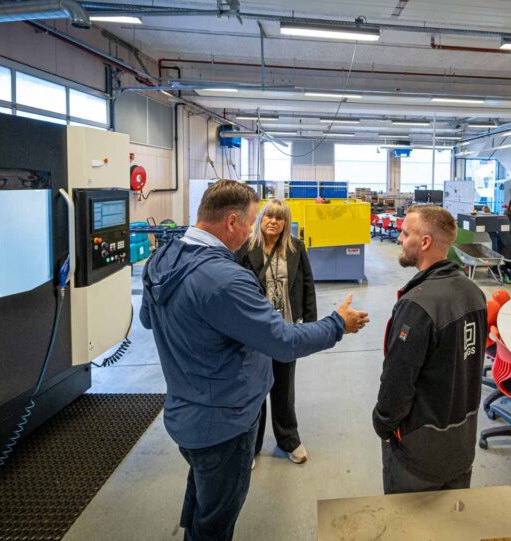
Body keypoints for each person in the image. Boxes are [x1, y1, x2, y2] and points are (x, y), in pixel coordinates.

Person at [140, 180, 369, 541]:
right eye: (250, 221)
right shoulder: (226, 279)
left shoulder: (163, 259)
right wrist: (338, 324)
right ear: (232, 222)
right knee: (217, 522)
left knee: (204, 499)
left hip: (185, 412)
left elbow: (149, 320)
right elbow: (284, 341)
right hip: (224, 423)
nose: (252, 229)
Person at [372, 205, 487, 494]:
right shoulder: (474, 293)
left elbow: (398, 379)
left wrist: (383, 424)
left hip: (419, 454)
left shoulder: (417, 306)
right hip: (461, 444)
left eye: (405, 233)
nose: (399, 239)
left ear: (424, 243)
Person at [236, 199, 314, 464]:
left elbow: (307, 283)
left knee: (284, 387)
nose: (274, 222)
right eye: (269, 216)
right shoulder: (246, 249)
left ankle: (288, 440)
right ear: (260, 219)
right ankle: (252, 446)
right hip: (255, 330)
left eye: (280, 218)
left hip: (285, 329)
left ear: (285, 222)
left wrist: (311, 323)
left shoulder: (295, 248)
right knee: (255, 389)